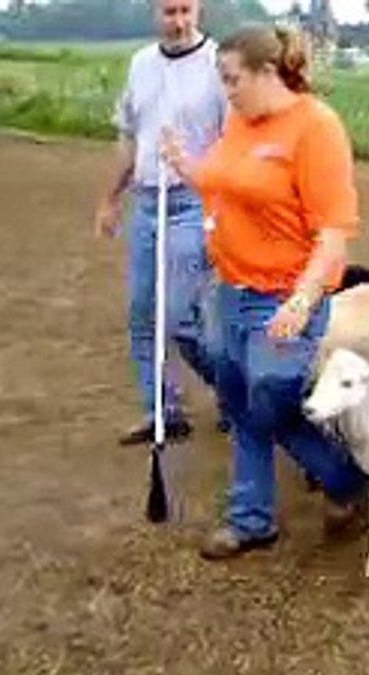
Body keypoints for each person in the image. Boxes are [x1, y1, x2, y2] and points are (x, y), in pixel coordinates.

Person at [160, 23, 369, 560]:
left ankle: (346, 479)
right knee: (239, 398)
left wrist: (302, 301)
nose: (225, 91)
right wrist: (186, 166)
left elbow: (333, 231)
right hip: (231, 290)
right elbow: (227, 182)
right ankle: (251, 519)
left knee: (268, 396)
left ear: (267, 73)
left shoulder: (316, 128)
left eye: (232, 80)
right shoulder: (240, 121)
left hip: (286, 298)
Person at [94, 0, 227, 446]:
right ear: (155, 12)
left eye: (186, 10)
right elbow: (131, 137)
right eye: (170, 11)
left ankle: (234, 392)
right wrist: (111, 199)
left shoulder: (219, 66)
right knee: (142, 314)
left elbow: (234, 144)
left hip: (197, 202)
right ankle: (162, 412)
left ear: (200, 10)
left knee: (181, 316)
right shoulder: (140, 65)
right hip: (148, 201)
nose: (179, 21)